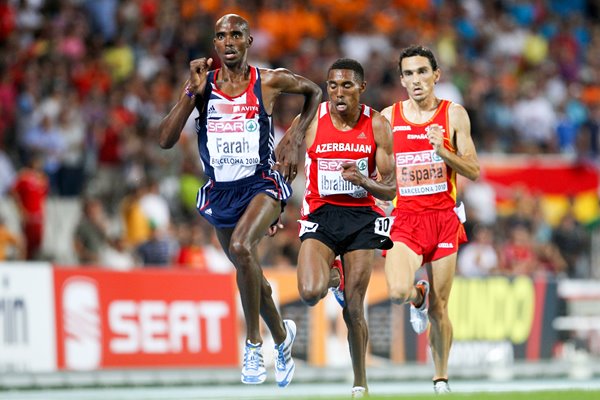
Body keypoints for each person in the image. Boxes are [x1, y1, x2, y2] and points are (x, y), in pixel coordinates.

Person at [158, 14, 322, 387]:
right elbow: (165, 139)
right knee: (252, 274)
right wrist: (189, 90)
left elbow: (314, 91)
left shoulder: (270, 81)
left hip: (261, 181)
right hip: (221, 190)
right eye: (220, 36)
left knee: (241, 247)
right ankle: (283, 338)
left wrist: (295, 137)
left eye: (235, 34)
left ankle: (252, 344)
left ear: (248, 42)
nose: (228, 41)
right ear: (214, 45)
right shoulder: (203, 86)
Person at [281, 58, 396, 398]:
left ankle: (360, 382)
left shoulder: (377, 125)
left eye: (347, 85)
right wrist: (274, 209)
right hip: (321, 215)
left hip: (362, 218)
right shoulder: (312, 120)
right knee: (310, 292)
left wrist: (363, 179)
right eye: (332, 86)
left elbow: (390, 188)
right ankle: (333, 277)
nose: (338, 92)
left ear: (361, 87)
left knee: (355, 307)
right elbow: (281, 159)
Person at [380, 45, 480, 394]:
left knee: (441, 308)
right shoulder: (388, 118)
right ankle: (415, 296)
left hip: (443, 219)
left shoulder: (454, 115)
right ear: (402, 79)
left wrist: (444, 151)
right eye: (408, 73)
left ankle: (440, 378)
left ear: (436, 75)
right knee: (395, 292)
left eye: (422, 71)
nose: (416, 80)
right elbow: (375, 170)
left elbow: (474, 170)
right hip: (405, 219)